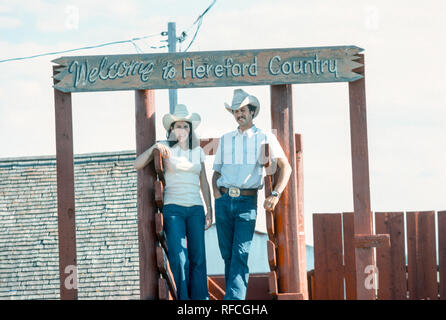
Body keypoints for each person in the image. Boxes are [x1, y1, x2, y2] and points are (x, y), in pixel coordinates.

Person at [212, 88, 292, 300]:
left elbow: (286, 167)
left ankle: (234, 301)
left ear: (252, 111)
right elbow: (215, 173)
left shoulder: (264, 136)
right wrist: (216, 197)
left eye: (243, 110)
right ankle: (232, 299)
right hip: (223, 199)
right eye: (236, 111)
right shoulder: (225, 138)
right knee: (227, 255)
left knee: (240, 253)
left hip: (247, 201)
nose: (239, 114)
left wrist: (275, 194)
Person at [134, 104, 212, 300]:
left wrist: (209, 210)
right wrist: (154, 147)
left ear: (190, 129)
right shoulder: (165, 148)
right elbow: (137, 164)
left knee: (198, 258)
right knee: (179, 258)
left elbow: (204, 181)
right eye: (178, 126)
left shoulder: (198, 151)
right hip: (173, 209)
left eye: (186, 126)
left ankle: (200, 301)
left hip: (195, 207)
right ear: (171, 129)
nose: (182, 130)